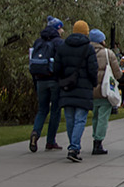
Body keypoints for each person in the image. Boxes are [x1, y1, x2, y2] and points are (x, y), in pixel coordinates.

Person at [52, 20, 98, 162]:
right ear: (86, 32)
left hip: (67, 87)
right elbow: (92, 69)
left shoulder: (63, 47)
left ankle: (73, 145)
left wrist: (62, 80)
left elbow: (56, 68)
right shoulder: (88, 48)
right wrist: (93, 83)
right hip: (83, 88)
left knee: (70, 118)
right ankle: (74, 147)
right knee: (80, 119)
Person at [28, 17, 64, 152]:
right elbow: (62, 62)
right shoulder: (58, 43)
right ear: (56, 29)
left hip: (40, 79)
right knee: (55, 110)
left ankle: (36, 132)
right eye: (61, 28)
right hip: (54, 80)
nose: (62, 30)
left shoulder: (38, 42)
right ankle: (50, 141)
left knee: (42, 109)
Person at [88, 29, 115, 155]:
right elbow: (117, 72)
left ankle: (95, 137)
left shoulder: (86, 52)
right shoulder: (107, 53)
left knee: (95, 116)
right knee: (103, 117)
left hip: (91, 89)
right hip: (104, 90)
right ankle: (98, 142)